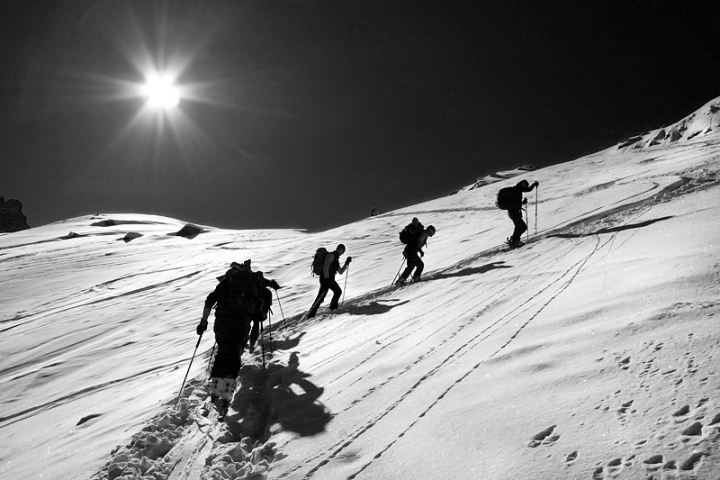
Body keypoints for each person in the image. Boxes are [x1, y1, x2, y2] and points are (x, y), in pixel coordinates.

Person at [195, 260, 270, 407]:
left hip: (223, 322)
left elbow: (210, 300)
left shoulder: (228, 282)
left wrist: (203, 322)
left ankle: (216, 384)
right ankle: (228, 387)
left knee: (223, 349)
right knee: (235, 350)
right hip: (242, 323)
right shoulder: (253, 283)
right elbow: (265, 295)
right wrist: (262, 313)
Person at [306, 244, 352, 318]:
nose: (341, 253)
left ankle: (332, 308)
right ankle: (312, 313)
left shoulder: (335, 258)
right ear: (339, 249)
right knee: (322, 296)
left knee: (335, 292)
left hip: (329, 279)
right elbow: (325, 266)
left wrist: (346, 263)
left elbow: (340, 271)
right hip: (326, 279)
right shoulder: (331, 256)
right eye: (342, 251)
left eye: (342, 251)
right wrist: (327, 279)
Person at [248, 270, 281, 353]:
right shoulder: (262, 282)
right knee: (256, 324)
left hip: (248, 307)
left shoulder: (248, 283)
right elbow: (274, 286)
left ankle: (246, 343)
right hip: (258, 308)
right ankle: (252, 343)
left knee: (247, 324)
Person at [505, 180, 539, 247]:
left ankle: (515, 241)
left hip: (513, 212)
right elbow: (528, 190)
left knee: (522, 227)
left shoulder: (516, 190)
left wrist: (522, 202)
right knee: (521, 227)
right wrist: (534, 184)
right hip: (513, 212)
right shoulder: (517, 189)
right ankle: (515, 242)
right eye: (524, 185)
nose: (525, 186)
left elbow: (515, 202)